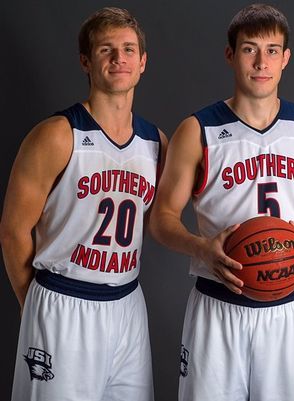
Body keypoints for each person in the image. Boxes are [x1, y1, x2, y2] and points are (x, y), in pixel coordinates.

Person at [149, 3, 294, 400]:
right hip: (217, 306)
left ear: (286, 58)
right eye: (249, 49)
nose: (261, 62)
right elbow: (161, 219)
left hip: (287, 310)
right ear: (230, 54)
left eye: (272, 50)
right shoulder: (197, 129)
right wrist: (201, 247)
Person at [0, 7, 167, 401]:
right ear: (86, 61)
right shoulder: (57, 135)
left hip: (128, 304)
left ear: (142, 62)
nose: (118, 58)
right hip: (64, 301)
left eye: (128, 49)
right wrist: (38, 307)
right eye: (106, 49)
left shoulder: (157, 142)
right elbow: (12, 231)